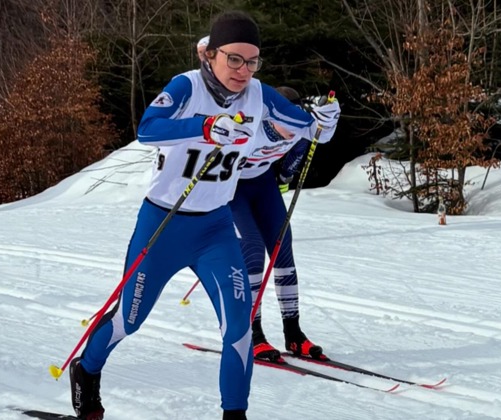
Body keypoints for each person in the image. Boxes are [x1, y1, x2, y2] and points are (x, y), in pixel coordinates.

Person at [69, 10, 340, 420]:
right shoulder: (186, 86)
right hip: (163, 225)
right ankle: (86, 371)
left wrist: (325, 122)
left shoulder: (260, 95)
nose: (243, 70)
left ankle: (235, 414)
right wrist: (207, 127)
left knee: (239, 329)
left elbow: (306, 127)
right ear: (211, 55)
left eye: (252, 61)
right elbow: (148, 128)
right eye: (233, 58)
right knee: (129, 320)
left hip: (214, 229)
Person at [230, 87, 340, 363]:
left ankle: (293, 333)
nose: (293, 125)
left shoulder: (301, 130)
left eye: (297, 116)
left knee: (283, 249)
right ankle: (252, 334)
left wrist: (286, 175)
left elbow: (298, 154)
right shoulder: (253, 129)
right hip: (233, 190)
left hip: (263, 185)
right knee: (253, 250)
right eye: (286, 118)